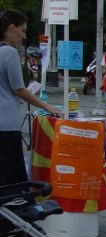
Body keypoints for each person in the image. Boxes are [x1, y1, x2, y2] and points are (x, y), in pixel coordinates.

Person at [0, 10, 61, 186]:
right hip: (7, 124)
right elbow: (19, 89)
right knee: (12, 183)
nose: (24, 36)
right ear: (11, 28)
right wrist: (47, 107)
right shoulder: (9, 52)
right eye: (23, 30)